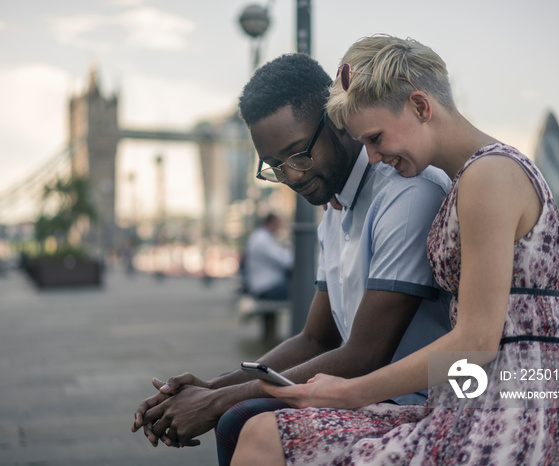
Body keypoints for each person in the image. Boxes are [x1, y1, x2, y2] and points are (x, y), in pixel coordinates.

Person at [231, 35, 559, 465]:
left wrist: (347, 391)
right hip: (468, 398)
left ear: (420, 106)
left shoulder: (489, 175)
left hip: (510, 413)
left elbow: (477, 342)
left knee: (267, 437)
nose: (373, 158)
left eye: (375, 138)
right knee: (262, 433)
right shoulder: (471, 177)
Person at [131, 52, 452, 465]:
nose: (293, 177)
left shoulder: (405, 194)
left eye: (299, 155)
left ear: (338, 120)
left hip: (416, 400)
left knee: (237, 418)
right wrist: (212, 388)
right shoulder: (335, 209)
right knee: (236, 414)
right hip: (367, 391)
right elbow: (316, 338)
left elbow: (363, 354)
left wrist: (215, 403)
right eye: (275, 167)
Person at [242, 213, 293, 300]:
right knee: (304, 290)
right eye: (279, 225)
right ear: (271, 223)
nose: (280, 229)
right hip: (266, 288)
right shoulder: (262, 239)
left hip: (265, 286)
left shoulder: (261, 236)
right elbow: (286, 261)